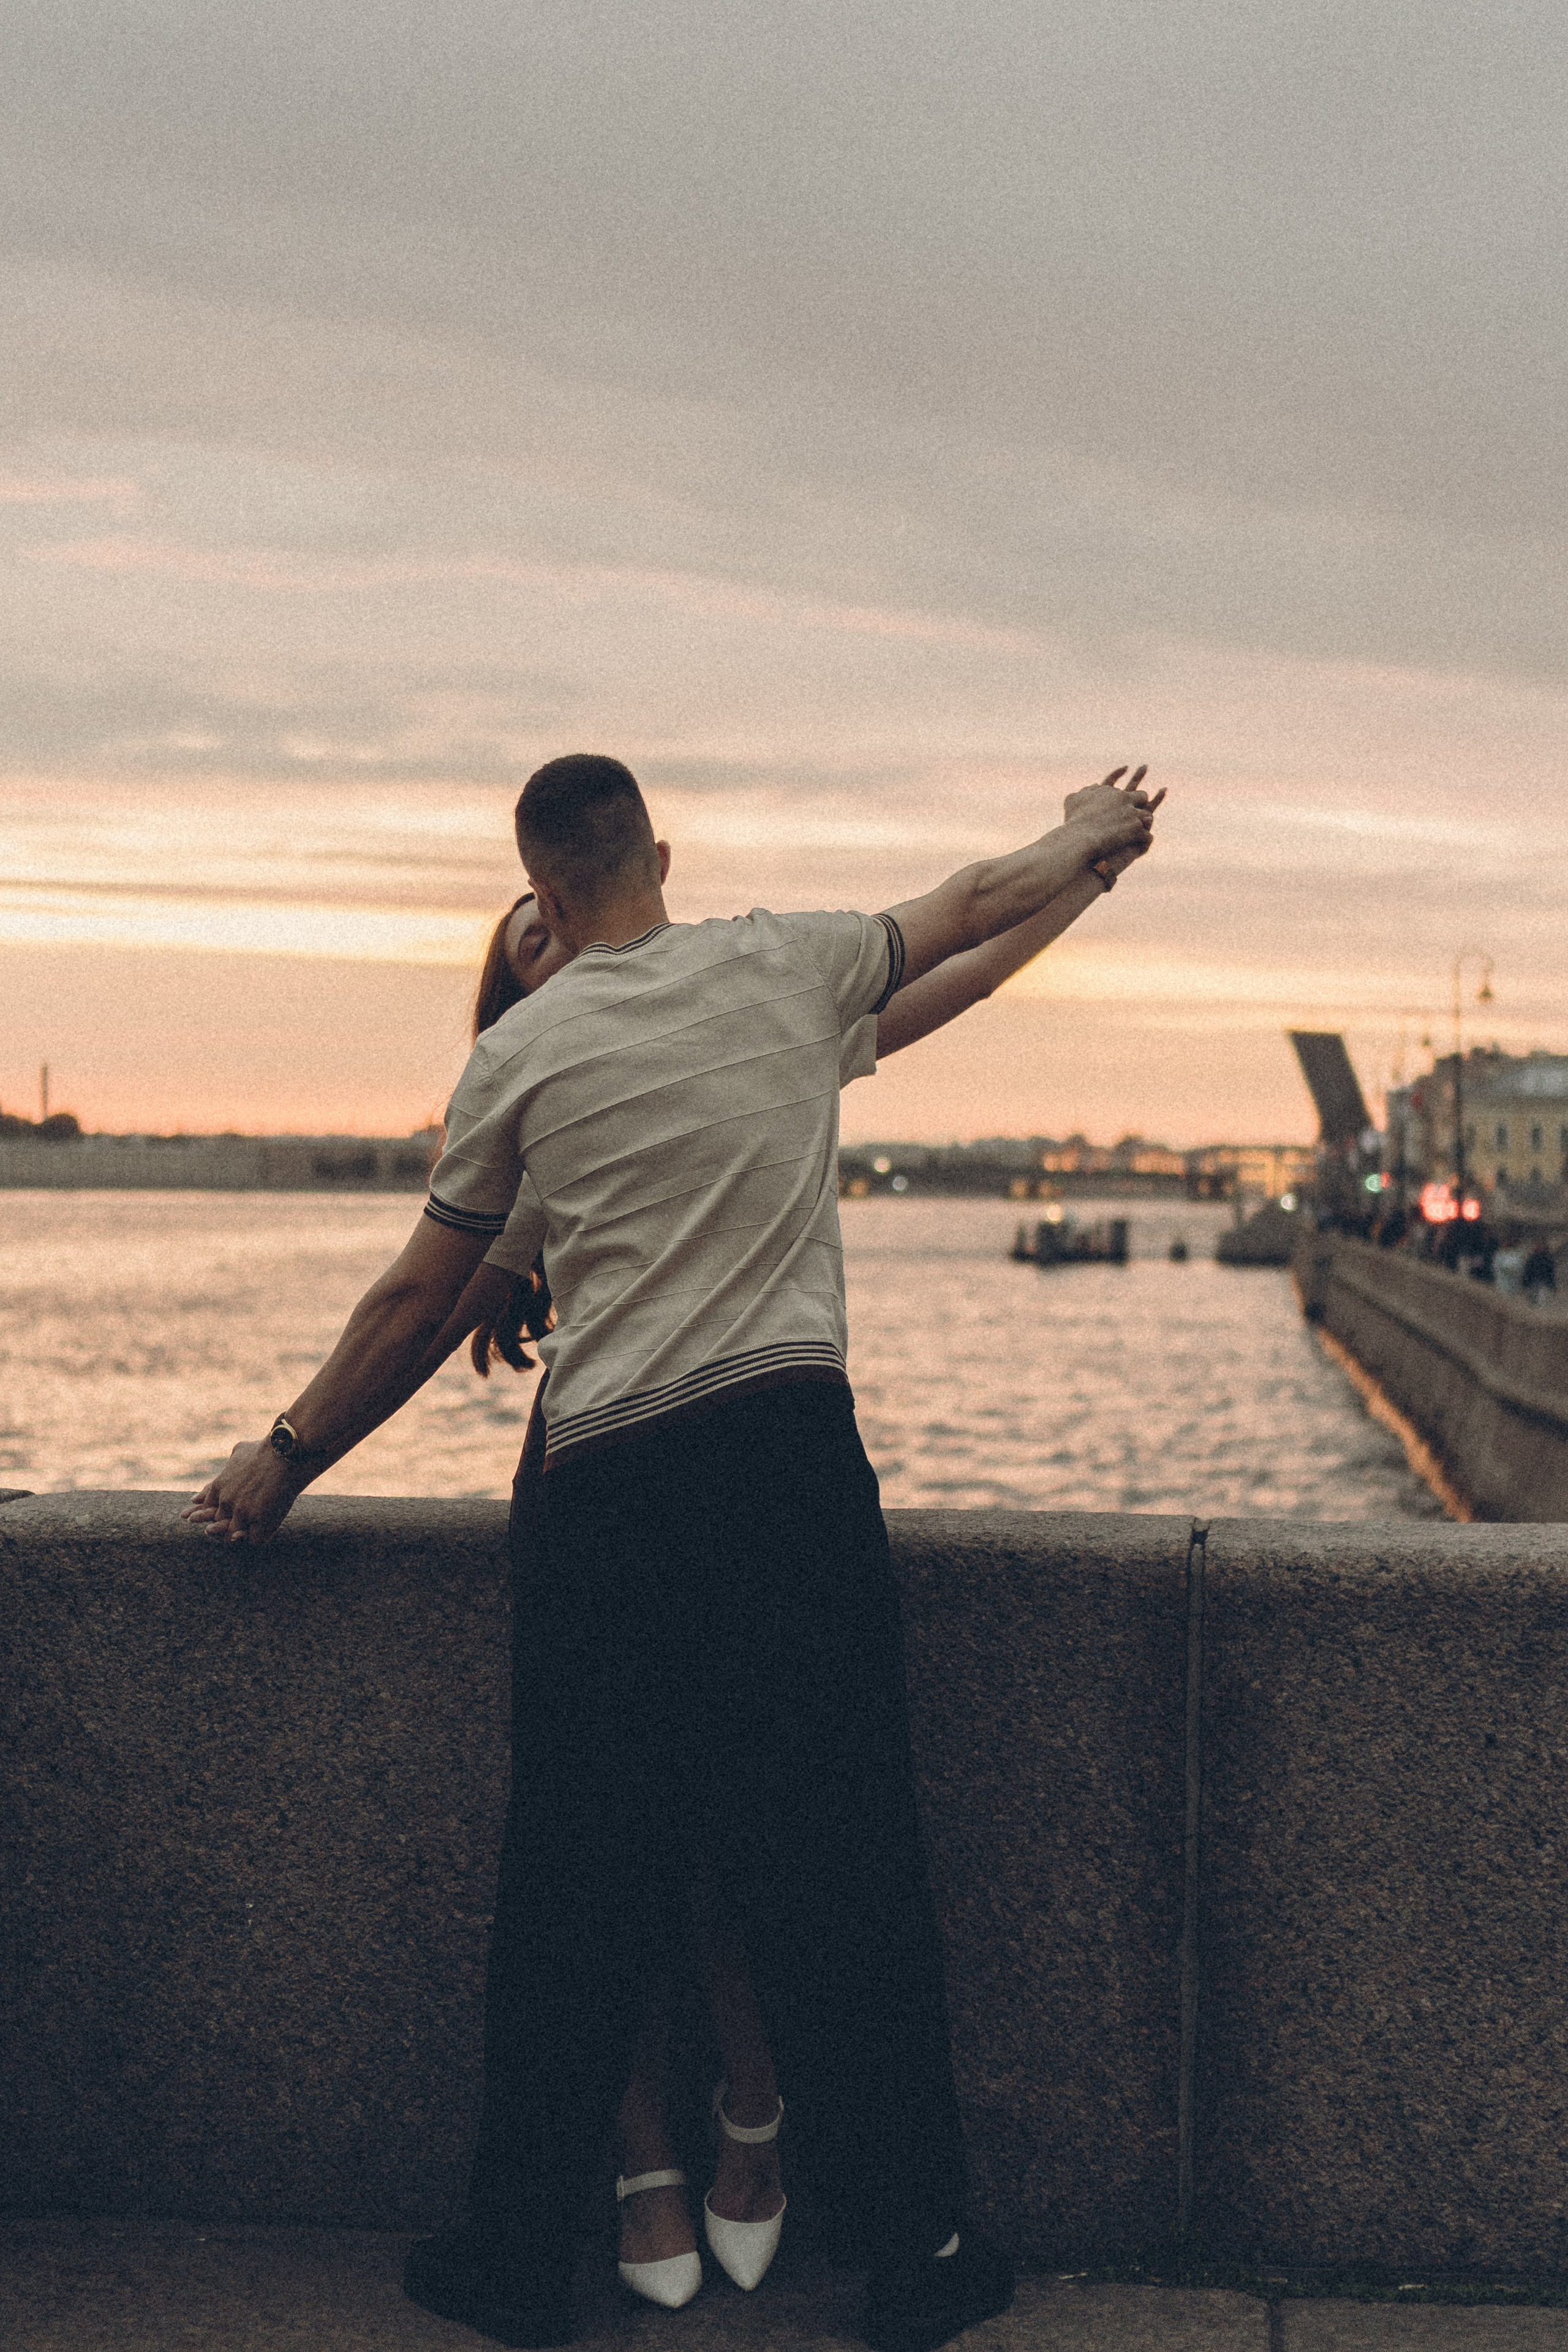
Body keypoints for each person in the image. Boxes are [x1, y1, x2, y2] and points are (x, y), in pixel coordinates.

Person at [183, 753, 1158, 2352]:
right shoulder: (783, 963)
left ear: (547, 897)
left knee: (571, 1881)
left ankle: (517, 2263)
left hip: (611, 1488)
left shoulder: (522, 1058)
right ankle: (918, 2253)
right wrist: (1077, 847)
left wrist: (283, 1461)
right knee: (849, 1866)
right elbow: (968, 909)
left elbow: (416, 1306)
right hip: (784, 1463)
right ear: (664, 855)